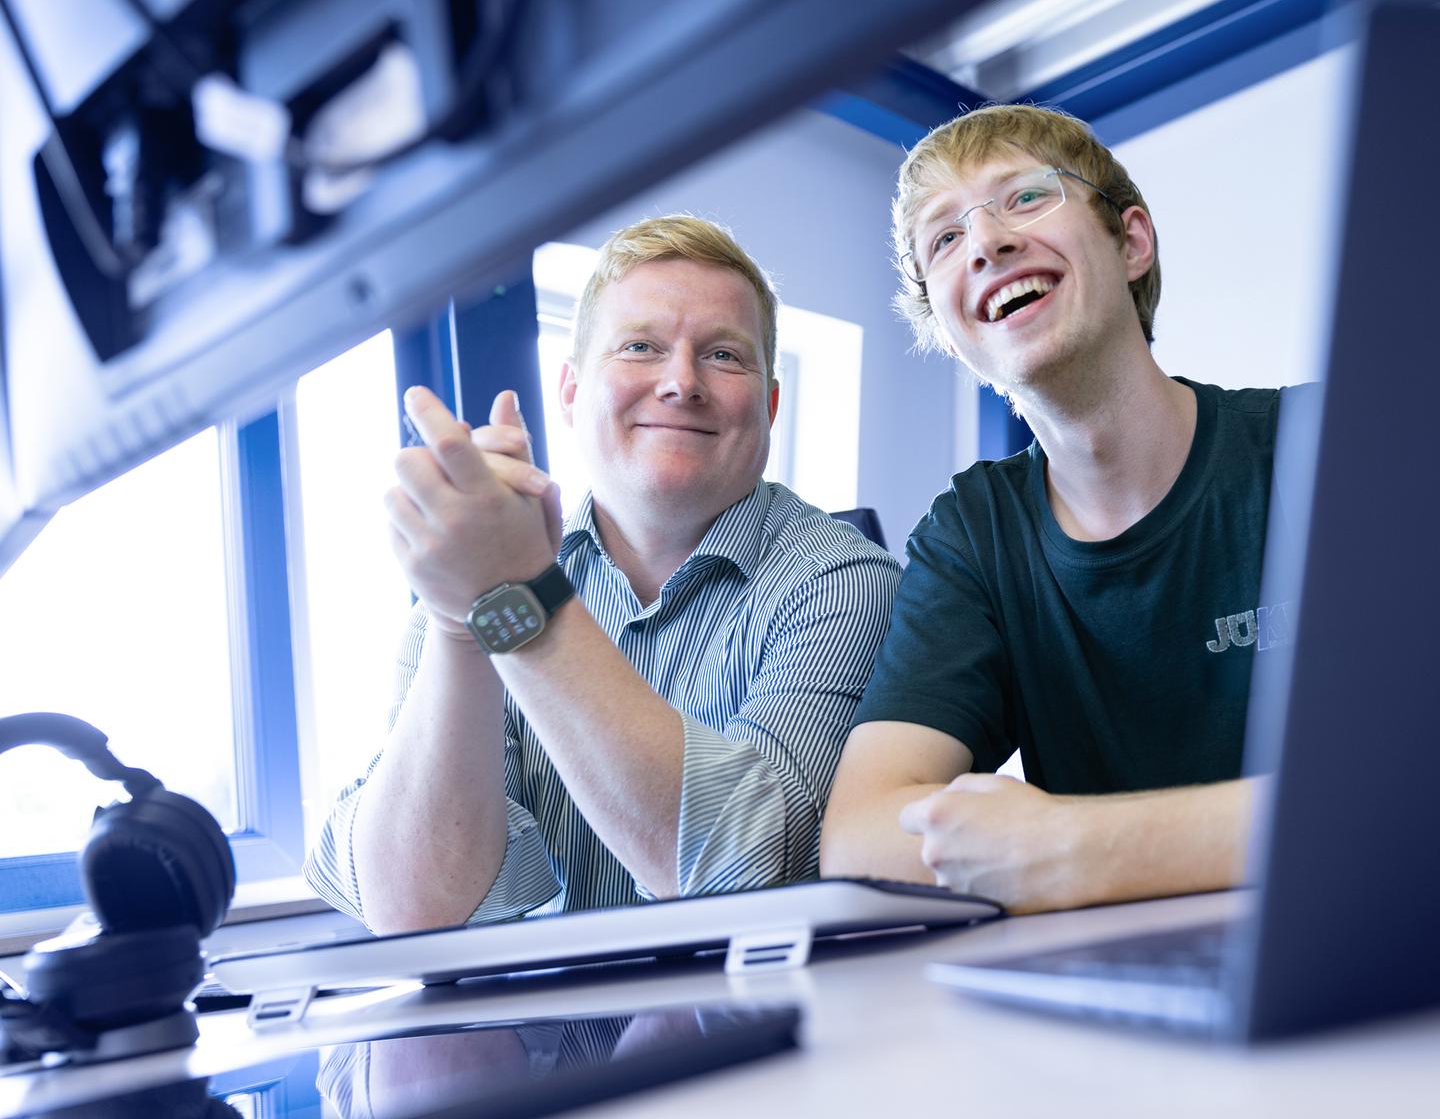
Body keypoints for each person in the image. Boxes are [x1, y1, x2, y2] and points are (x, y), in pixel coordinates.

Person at [306, 215, 899, 933]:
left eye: (723, 355)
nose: (681, 382)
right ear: (570, 393)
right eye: (641, 346)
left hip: (755, 1032)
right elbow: (416, 910)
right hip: (529, 1041)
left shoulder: (846, 582)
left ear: (769, 406)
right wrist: (464, 625)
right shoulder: (471, 583)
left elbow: (744, 870)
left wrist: (521, 597)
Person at [821, 104, 1303, 914]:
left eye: (1027, 197)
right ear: (944, 328)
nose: (986, 242)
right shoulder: (973, 534)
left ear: (1132, 242)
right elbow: (862, 840)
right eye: (943, 238)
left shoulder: (1320, 443)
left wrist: (1076, 848)